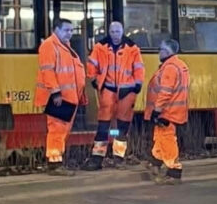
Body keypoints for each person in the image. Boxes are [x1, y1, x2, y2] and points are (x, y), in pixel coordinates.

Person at [84, 21, 145, 170]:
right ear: (109, 32)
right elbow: (91, 64)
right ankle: (97, 159)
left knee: (121, 128)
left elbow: (139, 68)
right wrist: (94, 80)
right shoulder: (100, 47)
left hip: (126, 92)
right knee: (103, 126)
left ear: (122, 31)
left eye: (117, 32)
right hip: (108, 90)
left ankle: (119, 158)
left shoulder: (133, 49)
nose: (115, 35)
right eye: (112, 32)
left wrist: (137, 85)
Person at [35, 18, 87, 171]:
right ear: (56, 30)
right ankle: (54, 163)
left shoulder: (65, 46)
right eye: (66, 30)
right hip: (58, 97)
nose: (69, 33)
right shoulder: (49, 46)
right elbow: (48, 71)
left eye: (71, 30)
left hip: (68, 97)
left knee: (62, 130)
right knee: (57, 129)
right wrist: (55, 92)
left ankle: (57, 160)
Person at [146, 38, 190, 185]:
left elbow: (165, 91)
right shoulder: (180, 65)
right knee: (160, 138)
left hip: (167, 111)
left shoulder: (170, 67)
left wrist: (157, 110)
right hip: (174, 110)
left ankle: (174, 172)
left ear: (167, 51)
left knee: (167, 140)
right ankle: (155, 164)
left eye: (161, 49)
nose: (159, 52)